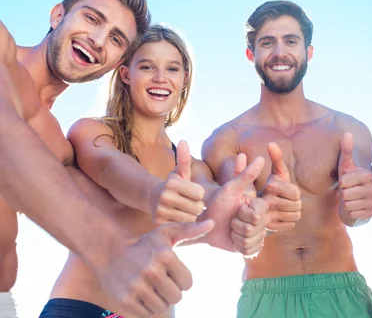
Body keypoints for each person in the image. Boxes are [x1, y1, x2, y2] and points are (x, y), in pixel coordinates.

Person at [0, 0, 212, 318]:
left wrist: (231, 214)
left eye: (116, 39)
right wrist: (107, 249)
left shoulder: (57, 145)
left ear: (117, 63)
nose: (98, 40)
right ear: (57, 15)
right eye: (91, 18)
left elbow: (119, 199)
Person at [39, 25, 270, 317]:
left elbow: (211, 200)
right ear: (126, 74)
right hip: (82, 308)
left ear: (184, 79)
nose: (160, 78)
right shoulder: (92, 132)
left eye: (172, 69)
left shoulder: (191, 166)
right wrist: (156, 191)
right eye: (147, 66)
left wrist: (239, 213)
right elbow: (112, 168)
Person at [201, 1, 372, 318]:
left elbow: (357, 213)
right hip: (266, 296)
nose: (279, 52)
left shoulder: (348, 130)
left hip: (341, 293)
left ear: (308, 52)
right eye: (267, 42)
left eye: (291, 41)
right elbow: (237, 213)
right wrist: (257, 211)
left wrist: (361, 208)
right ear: (251, 55)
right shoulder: (226, 139)